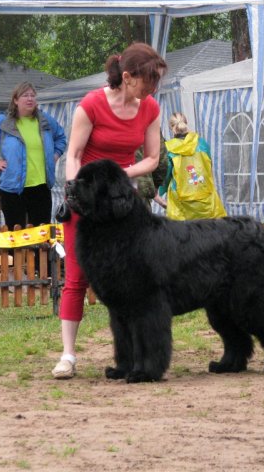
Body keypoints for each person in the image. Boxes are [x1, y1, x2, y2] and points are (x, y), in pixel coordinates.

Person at [52, 43, 167, 379]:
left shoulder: (150, 108)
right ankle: (68, 355)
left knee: (132, 280)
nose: (152, 88)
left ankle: (133, 355)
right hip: (87, 198)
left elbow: (152, 158)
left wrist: (121, 176)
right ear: (127, 77)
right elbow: (73, 155)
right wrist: (76, 196)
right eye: (148, 81)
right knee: (76, 278)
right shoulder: (91, 105)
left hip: (123, 203)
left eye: (156, 82)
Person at [0, 81, 66, 229]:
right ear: (15, 100)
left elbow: (61, 137)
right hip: (12, 188)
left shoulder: (45, 120)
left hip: (41, 187)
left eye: (32, 95)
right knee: (15, 235)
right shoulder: (3, 122)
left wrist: (54, 155)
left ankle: (38, 254)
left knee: (41, 236)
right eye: (25, 95)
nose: (30, 99)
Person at [157, 112, 226, 220]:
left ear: (171, 128)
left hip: (181, 205)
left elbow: (165, 177)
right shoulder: (202, 143)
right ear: (186, 123)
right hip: (206, 201)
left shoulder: (168, 149)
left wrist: (160, 191)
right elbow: (208, 169)